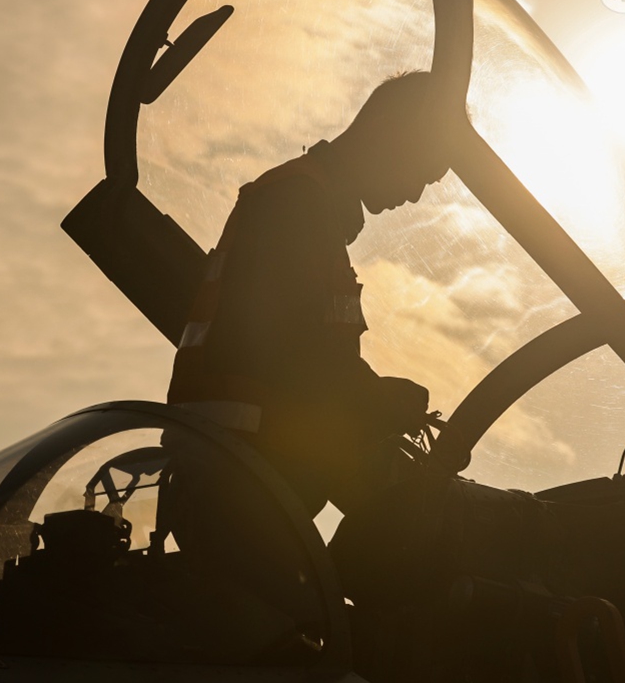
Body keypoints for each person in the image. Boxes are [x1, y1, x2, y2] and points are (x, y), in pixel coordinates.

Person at [167, 71, 469, 515]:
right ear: (389, 131)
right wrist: (379, 400)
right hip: (241, 477)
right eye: (421, 170)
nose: (416, 193)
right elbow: (291, 352)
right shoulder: (296, 204)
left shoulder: (307, 206)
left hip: (239, 467)